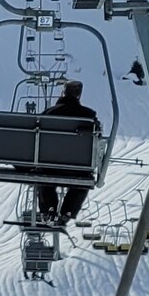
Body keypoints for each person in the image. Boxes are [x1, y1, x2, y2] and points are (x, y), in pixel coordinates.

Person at [35, 79, 102, 226]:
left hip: (49, 165)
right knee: (82, 181)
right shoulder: (88, 116)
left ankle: (49, 208)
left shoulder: (48, 114)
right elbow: (97, 137)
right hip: (78, 167)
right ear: (78, 95)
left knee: (44, 177)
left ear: (63, 93)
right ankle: (68, 212)